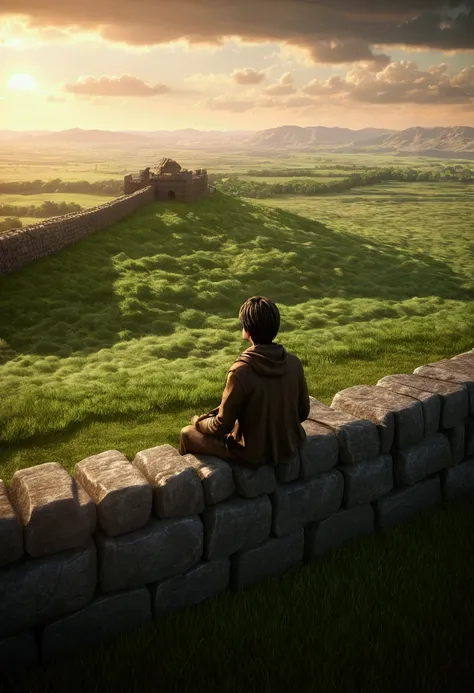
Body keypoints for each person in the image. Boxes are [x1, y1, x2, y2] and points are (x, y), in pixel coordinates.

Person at [179, 296, 310, 467]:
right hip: (290, 444)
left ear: (247, 330)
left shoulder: (240, 371)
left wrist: (198, 422)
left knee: (187, 433)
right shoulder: (294, 363)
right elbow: (303, 412)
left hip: (253, 454)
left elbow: (222, 425)